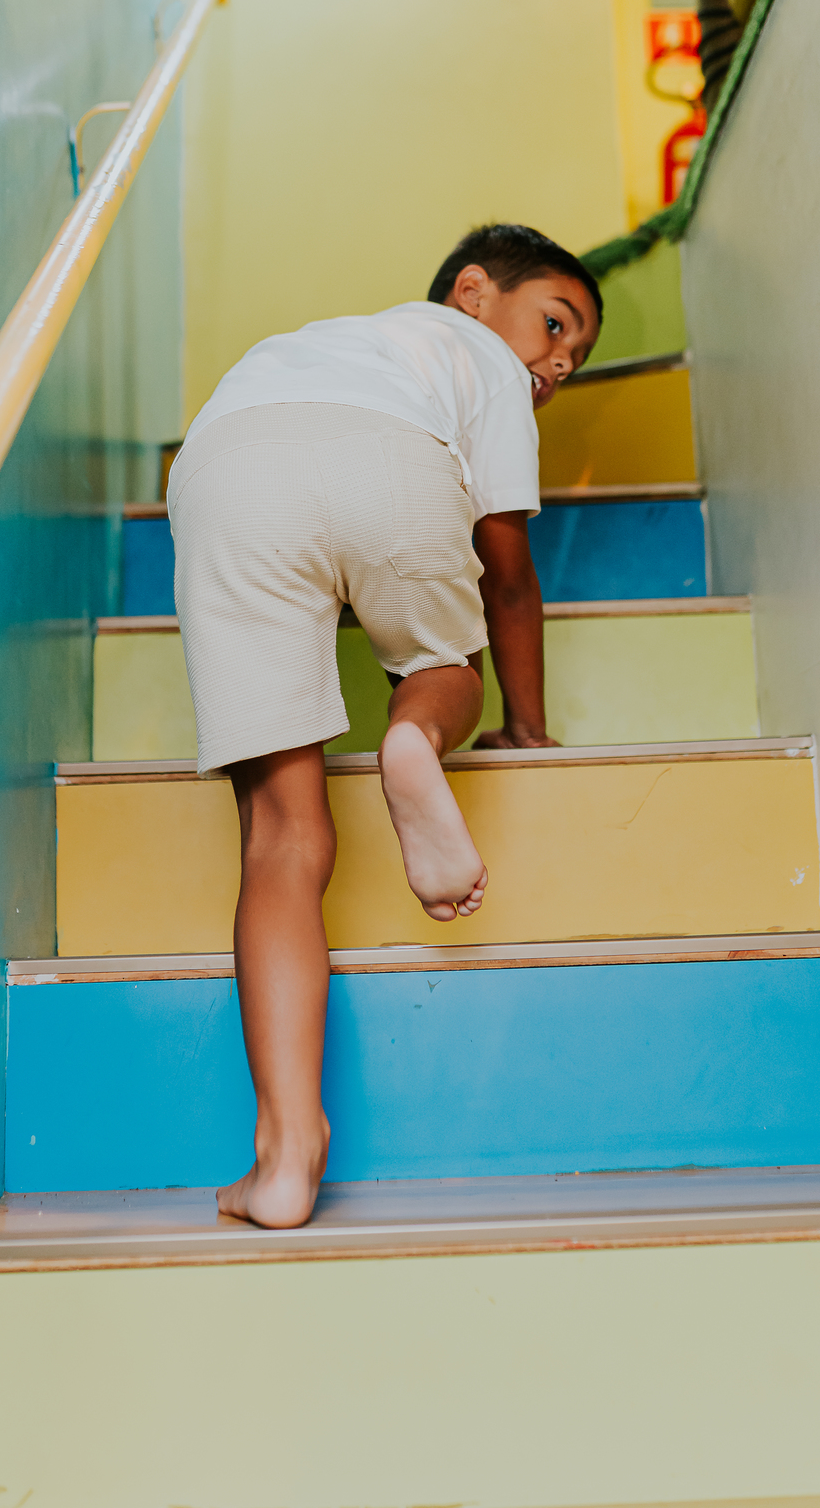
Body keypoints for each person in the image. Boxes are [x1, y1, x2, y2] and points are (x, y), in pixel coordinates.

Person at [167, 223, 602, 1227]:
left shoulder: (305, 348)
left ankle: (284, 1154)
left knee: (279, 835)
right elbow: (509, 576)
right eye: (554, 324)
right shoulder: (479, 364)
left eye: (573, 359)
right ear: (473, 292)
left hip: (225, 471)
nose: (557, 362)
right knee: (446, 669)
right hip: (391, 461)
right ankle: (414, 739)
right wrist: (522, 726)